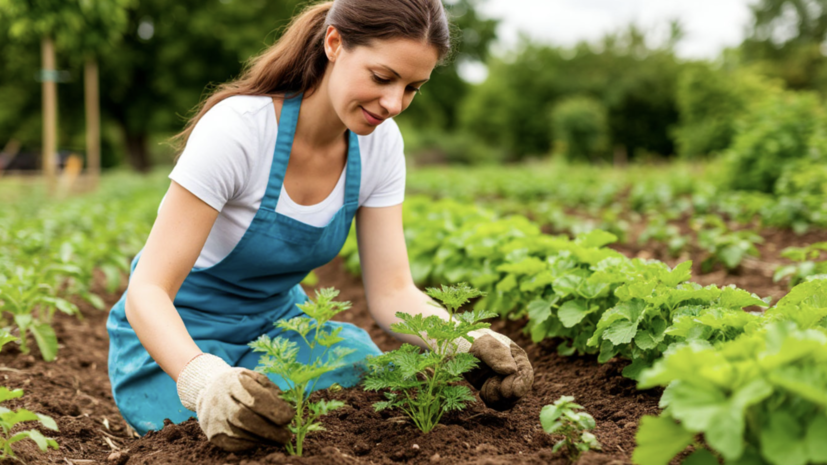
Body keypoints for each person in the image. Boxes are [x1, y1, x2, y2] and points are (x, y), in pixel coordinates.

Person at [106, 0, 534, 452]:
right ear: (334, 43)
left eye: (412, 88)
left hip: (278, 332)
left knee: (369, 380)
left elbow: (393, 292)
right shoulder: (239, 131)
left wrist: (466, 340)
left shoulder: (380, 146)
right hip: (175, 340)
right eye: (382, 77)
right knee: (236, 436)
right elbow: (148, 290)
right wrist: (204, 381)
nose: (394, 104)